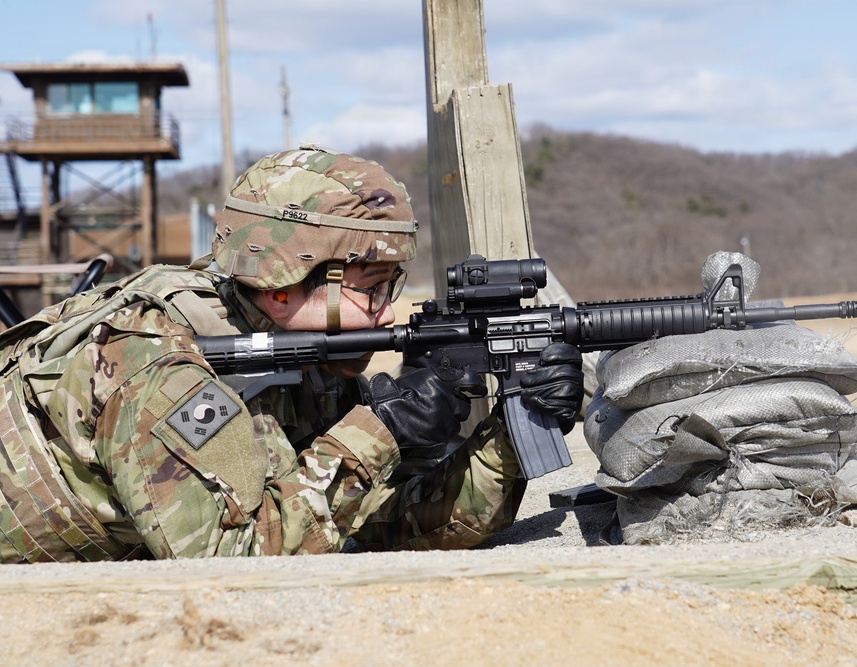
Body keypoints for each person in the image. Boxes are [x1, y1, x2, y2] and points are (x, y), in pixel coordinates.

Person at [0, 146, 584, 562]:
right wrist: (378, 432)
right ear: (282, 282)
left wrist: (508, 436)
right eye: (370, 289)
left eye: (393, 286)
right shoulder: (156, 365)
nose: (387, 311)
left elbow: (387, 526)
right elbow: (235, 560)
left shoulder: (310, 362)